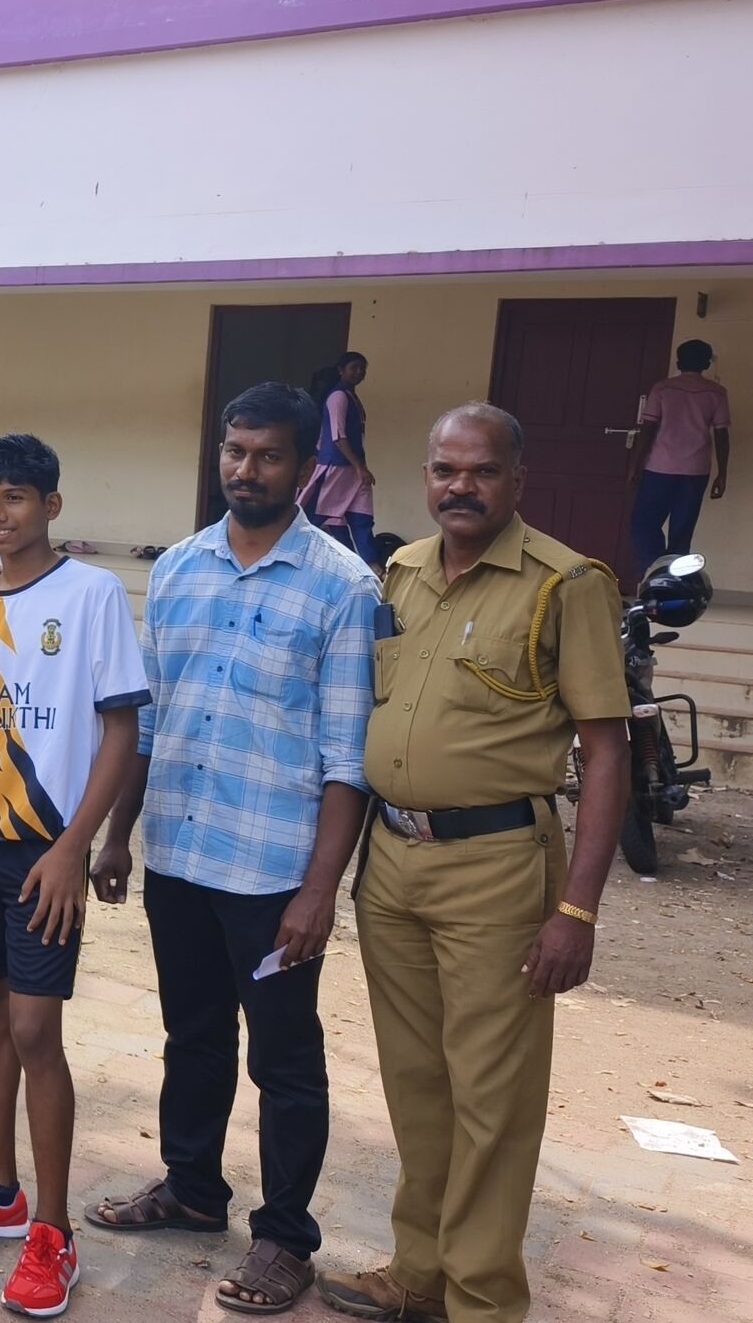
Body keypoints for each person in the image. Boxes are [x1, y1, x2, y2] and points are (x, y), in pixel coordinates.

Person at [320, 405, 628, 1323]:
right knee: (416, 1085)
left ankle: (484, 1300)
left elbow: (606, 753)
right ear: (426, 475)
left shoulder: (566, 584)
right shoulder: (403, 572)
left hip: (496, 868)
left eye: (482, 471)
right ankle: (420, 1274)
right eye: (445, 469)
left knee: (493, 1096)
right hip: (392, 862)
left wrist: (576, 910)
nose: (461, 486)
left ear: (517, 481)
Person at [88, 383, 379, 1316]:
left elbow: (348, 758)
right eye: (234, 451)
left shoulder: (344, 587)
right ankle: (192, 1189)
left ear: (306, 466)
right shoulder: (179, 568)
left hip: (273, 871)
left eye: (268, 455)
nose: (246, 470)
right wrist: (119, 834)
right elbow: (149, 719)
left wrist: (319, 890)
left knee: (285, 1059)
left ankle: (286, 1238)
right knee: (194, 1035)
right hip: (179, 851)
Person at [0, 433, 150, 1322]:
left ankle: (53, 1231)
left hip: (44, 849)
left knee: (36, 1028)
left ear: (51, 505)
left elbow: (120, 730)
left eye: (16, 496)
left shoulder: (91, 594)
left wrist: (75, 848)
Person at [629, 339, 727, 571]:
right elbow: (722, 434)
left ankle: (655, 570)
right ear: (706, 364)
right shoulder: (717, 392)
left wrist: (635, 465)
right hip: (695, 471)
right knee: (682, 532)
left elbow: (648, 429)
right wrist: (722, 474)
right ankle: (673, 580)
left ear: (678, 362)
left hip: (659, 469)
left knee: (643, 524)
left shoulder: (663, 388)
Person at [300, 352, 378, 567]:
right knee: (315, 516)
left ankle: (372, 568)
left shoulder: (351, 397)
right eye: (354, 367)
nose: (359, 372)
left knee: (361, 518)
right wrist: (359, 467)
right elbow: (338, 436)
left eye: (362, 368)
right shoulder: (338, 397)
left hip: (353, 468)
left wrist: (360, 467)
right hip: (335, 467)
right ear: (341, 370)